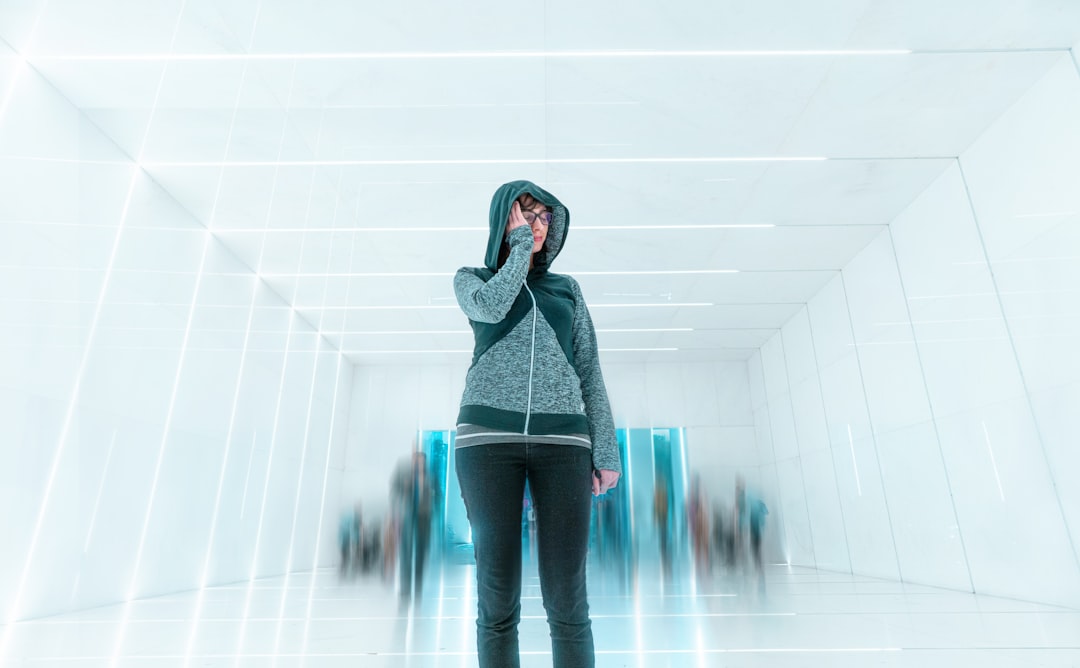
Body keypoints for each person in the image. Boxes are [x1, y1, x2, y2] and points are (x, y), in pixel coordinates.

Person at [453, 180, 622, 668]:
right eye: (527, 215)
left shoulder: (567, 290)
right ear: (504, 220)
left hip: (564, 443)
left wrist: (605, 450)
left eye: (546, 217)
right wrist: (519, 250)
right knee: (497, 593)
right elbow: (490, 308)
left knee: (568, 596)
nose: (539, 225)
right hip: (486, 444)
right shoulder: (472, 278)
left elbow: (588, 369)